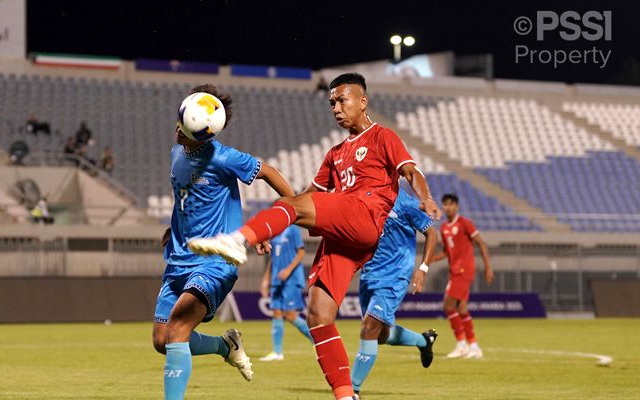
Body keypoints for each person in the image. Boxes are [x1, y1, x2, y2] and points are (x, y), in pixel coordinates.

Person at [188, 73, 441, 400]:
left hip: (364, 215)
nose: (336, 108)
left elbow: (411, 170)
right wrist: (275, 223)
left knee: (290, 207)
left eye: (342, 100)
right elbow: (306, 197)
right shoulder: (335, 154)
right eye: (332, 103)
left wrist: (427, 196)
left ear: (362, 101)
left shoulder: (382, 136)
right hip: (345, 238)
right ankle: (346, 394)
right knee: (319, 315)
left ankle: (238, 240)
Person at [152, 84, 295, 400]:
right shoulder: (177, 153)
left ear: (204, 133)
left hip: (216, 261)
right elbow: (185, 199)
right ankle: (225, 345)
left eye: (185, 128)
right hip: (179, 257)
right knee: (163, 341)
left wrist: (283, 215)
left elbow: (269, 172)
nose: (178, 130)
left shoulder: (224, 157)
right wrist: (173, 228)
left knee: (177, 328)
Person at [350, 190, 438, 397]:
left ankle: (351, 390)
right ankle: (424, 341)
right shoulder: (363, 197)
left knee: (369, 327)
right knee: (380, 335)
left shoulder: (405, 202)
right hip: (369, 274)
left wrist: (423, 268)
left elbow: (431, 234)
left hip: (395, 274)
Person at [431, 193, 494, 359]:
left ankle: (461, 343)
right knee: (462, 308)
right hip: (454, 271)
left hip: (464, 271)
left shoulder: (465, 223)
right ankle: (473, 345)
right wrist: (430, 259)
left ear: (456, 206)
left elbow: (481, 243)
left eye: (451, 204)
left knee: (448, 306)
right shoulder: (444, 228)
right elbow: (446, 251)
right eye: (445, 204)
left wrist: (488, 267)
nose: (448, 207)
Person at [259, 224, 313, 362]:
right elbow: (273, 258)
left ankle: (318, 342)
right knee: (276, 312)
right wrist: (266, 279)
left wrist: (288, 270)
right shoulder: (274, 232)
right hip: (277, 279)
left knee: (290, 315)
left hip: (291, 279)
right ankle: (277, 352)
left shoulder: (293, 230)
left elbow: (301, 252)